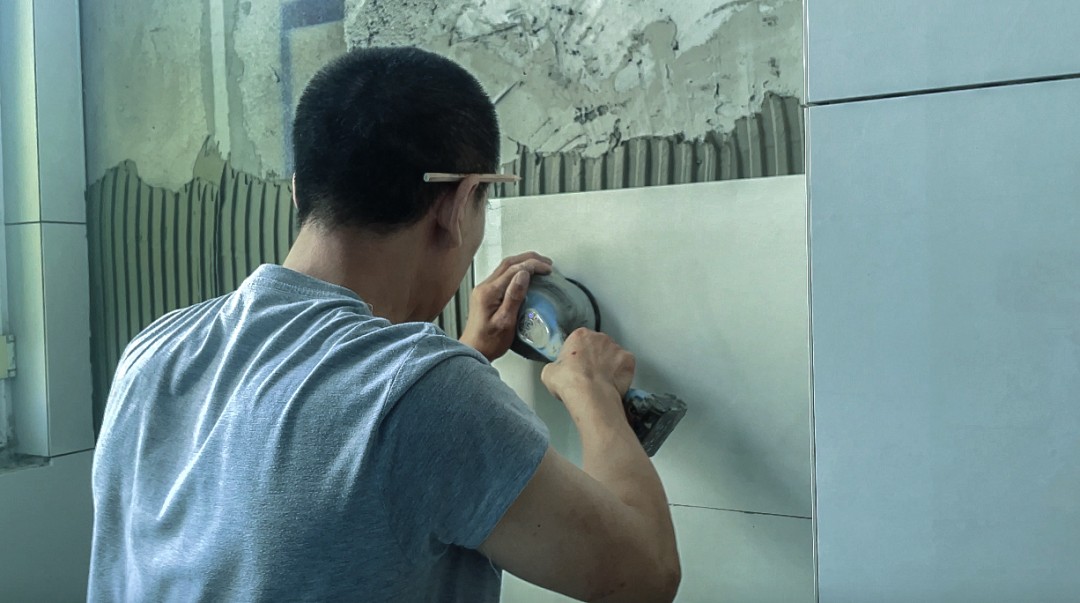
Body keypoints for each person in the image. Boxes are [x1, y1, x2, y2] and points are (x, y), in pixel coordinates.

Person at [89, 46, 679, 602]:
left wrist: (466, 355)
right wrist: (594, 392)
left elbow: (334, 456)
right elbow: (647, 574)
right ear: (458, 204)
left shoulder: (154, 348)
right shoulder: (428, 397)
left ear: (298, 191)